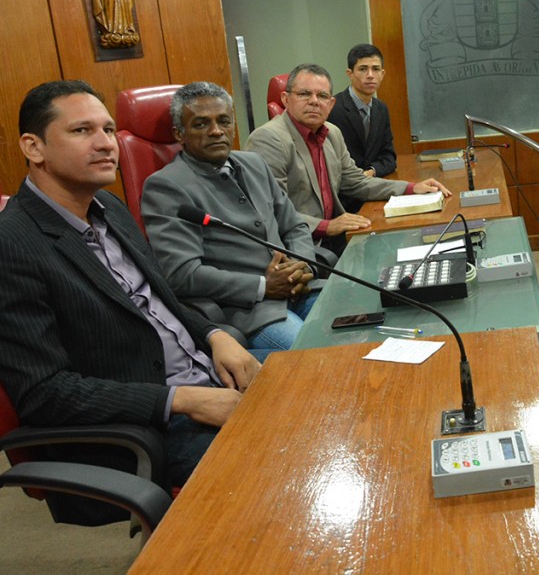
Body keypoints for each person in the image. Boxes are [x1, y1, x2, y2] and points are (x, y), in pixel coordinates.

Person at [0, 80, 259, 524]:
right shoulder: (13, 245)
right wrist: (179, 400)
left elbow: (164, 302)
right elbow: (45, 393)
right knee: (280, 472)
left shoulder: (109, 206)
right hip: (142, 431)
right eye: (82, 131)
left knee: (313, 402)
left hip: (205, 380)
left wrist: (215, 335)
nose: (106, 145)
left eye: (108, 129)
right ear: (34, 147)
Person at [141, 82, 317, 359]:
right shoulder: (166, 186)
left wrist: (302, 265)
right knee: (317, 356)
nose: (216, 131)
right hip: (252, 310)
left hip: (301, 289)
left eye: (224, 121)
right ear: (179, 134)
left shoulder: (254, 163)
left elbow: (294, 225)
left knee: (364, 324)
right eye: (201, 124)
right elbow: (182, 274)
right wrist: (263, 286)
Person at [245, 63, 451, 255]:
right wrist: (327, 226)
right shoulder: (269, 139)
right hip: (297, 247)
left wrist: (411, 189)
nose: (314, 101)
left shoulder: (331, 133)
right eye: (304, 94)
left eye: (322, 95)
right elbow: (269, 209)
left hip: (336, 240)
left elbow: (356, 182)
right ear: (285, 99)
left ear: (331, 103)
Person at [327, 44, 398, 211]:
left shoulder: (381, 109)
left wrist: (371, 172)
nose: (370, 75)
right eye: (363, 69)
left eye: (376, 69)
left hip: (373, 190)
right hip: (343, 200)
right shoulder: (332, 109)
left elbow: (389, 156)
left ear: (383, 74)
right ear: (350, 74)